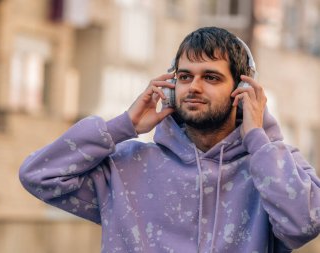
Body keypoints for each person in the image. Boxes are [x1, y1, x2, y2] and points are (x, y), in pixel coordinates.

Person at [19, 27, 320, 253]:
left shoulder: (273, 166)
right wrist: (124, 125)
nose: (194, 87)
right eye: (185, 77)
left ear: (241, 90)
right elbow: (39, 175)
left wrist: (257, 136)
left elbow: (303, 224)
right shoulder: (127, 167)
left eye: (211, 77)